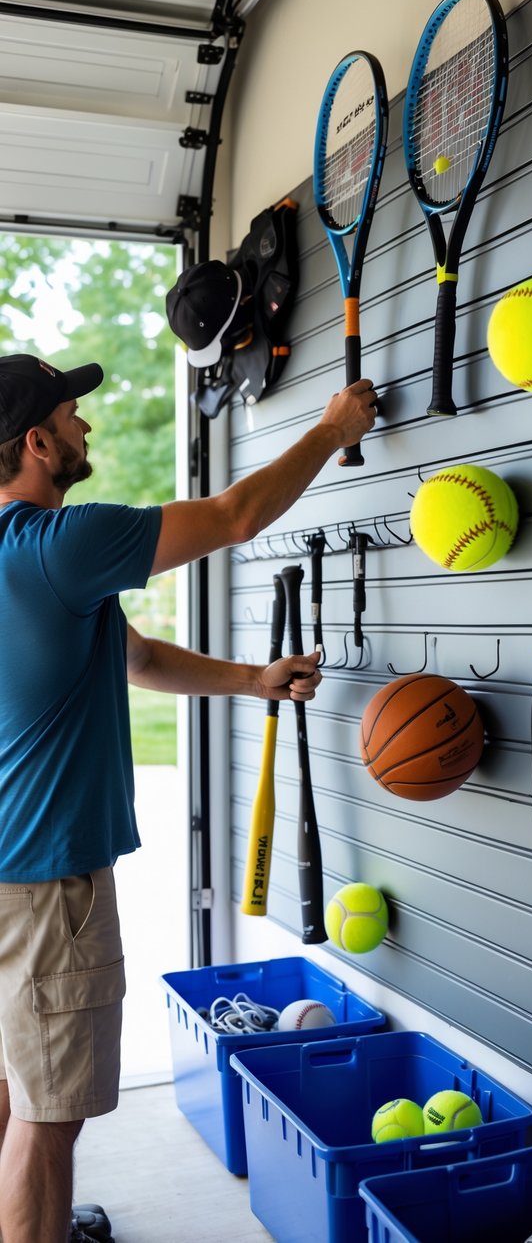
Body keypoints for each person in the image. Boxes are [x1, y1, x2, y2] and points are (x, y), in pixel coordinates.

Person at [0, 352, 377, 1243]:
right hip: (45, 879)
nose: (87, 425)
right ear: (38, 442)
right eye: (73, 414)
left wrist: (253, 678)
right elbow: (236, 516)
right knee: (48, 1120)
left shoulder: (35, 570)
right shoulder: (62, 543)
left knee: (15, 1088)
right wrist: (332, 428)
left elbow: (131, 657)